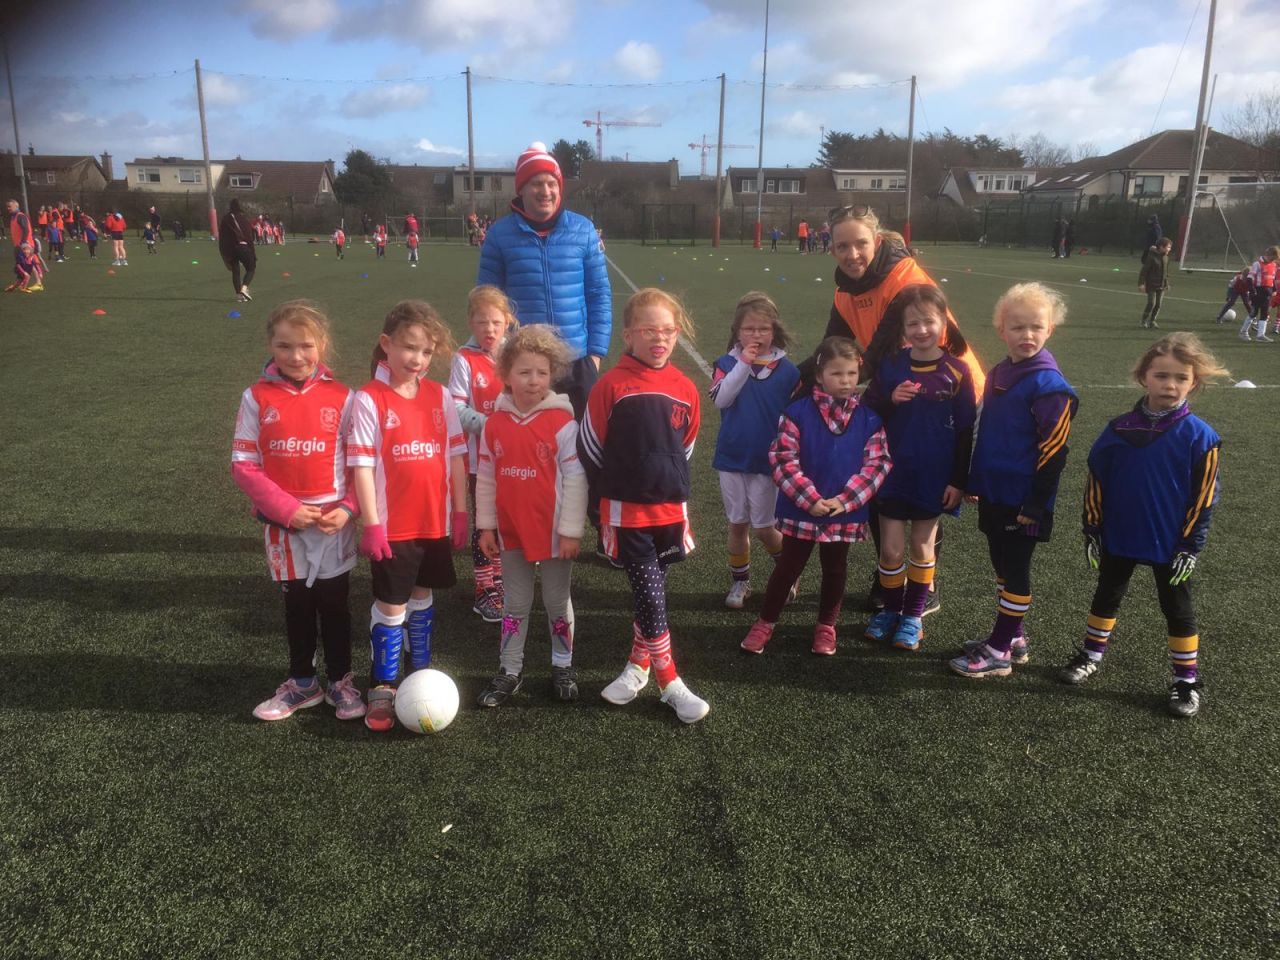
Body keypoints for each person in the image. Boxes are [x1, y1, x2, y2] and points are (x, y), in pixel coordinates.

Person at [819, 203, 985, 613]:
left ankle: (923, 589)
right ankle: (889, 575)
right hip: (899, 391)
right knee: (882, 485)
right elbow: (833, 347)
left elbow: (872, 353)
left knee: (926, 491)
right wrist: (800, 383)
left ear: (877, 241)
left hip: (945, 393)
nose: (852, 254)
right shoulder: (845, 289)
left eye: (860, 244)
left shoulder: (905, 279)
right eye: (842, 246)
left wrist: (837, 385)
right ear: (831, 247)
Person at [1057, 333, 1225, 718]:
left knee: (1178, 609)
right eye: (1161, 375)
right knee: (1106, 595)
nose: (1170, 385)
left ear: (1193, 383)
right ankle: (1090, 655)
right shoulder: (1118, 430)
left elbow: (1204, 498)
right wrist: (1093, 528)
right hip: (1120, 533)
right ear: (1143, 377)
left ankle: (1185, 680)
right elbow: (1096, 478)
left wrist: (1190, 546)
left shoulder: (1202, 437)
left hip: (1171, 543)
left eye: (1181, 378)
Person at [579, 288, 709, 724]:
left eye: (668, 330)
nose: (660, 338)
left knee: (650, 595)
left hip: (670, 511)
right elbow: (590, 448)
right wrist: (606, 500)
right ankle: (670, 682)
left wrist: (662, 478)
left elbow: (685, 447)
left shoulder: (685, 387)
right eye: (649, 330)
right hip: (626, 513)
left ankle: (636, 666)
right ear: (629, 335)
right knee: (651, 596)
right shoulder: (611, 385)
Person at [232, 301, 365, 722]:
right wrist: (288, 510)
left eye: (305, 345)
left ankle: (342, 681)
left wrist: (349, 508)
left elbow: (361, 463)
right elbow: (244, 464)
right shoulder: (256, 397)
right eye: (284, 346)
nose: (295, 356)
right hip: (284, 526)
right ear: (270, 345)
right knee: (298, 606)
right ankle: (303, 683)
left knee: (335, 603)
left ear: (321, 345)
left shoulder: (344, 397)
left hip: (332, 524)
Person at [347, 301, 468, 732]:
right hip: (394, 528)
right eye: (409, 348)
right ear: (386, 345)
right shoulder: (368, 399)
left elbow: (455, 455)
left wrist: (459, 512)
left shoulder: (440, 396)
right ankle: (383, 683)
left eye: (426, 352)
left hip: (433, 522)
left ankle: (420, 668)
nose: (416, 359)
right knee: (391, 604)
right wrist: (372, 523)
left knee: (422, 597)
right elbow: (361, 465)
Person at [950, 282, 1077, 679]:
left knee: (1017, 567)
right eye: (1017, 327)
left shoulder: (1050, 386)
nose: (1027, 335)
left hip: (1025, 498)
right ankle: (1014, 637)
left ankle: (999, 651)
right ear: (1000, 329)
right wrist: (976, 479)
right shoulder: (1000, 372)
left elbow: (1055, 452)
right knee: (1001, 563)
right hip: (995, 489)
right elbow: (988, 430)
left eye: (1036, 327)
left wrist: (1035, 505)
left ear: (1050, 330)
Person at [740, 336, 892, 656]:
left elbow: (877, 465)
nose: (846, 381)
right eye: (837, 374)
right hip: (802, 510)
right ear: (820, 375)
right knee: (788, 568)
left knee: (835, 568)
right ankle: (766, 622)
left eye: (851, 374)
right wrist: (810, 499)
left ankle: (826, 626)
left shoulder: (869, 419)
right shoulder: (797, 413)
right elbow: (783, 459)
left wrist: (845, 500)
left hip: (843, 512)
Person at [475, 325, 588, 706]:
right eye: (524, 372)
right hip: (510, 533)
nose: (533, 380)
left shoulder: (563, 423)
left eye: (541, 372)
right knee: (516, 604)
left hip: (555, 533)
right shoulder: (494, 424)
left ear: (551, 375)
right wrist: (485, 526)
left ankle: (562, 664)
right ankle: (510, 670)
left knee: (558, 602)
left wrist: (571, 531)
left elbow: (575, 478)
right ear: (506, 375)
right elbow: (487, 478)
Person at [861, 285, 978, 652]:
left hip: (933, 475)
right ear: (903, 327)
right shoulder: (892, 365)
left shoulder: (957, 371)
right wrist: (891, 400)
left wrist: (958, 480)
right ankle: (891, 611)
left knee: (922, 546)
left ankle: (912, 615)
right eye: (913, 323)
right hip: (891, 473)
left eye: (929, 321)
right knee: (891, 551)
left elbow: (964, 432)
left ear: (943, 322)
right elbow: (868, 413)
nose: (921, 329)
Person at [477, 142, 612, 420]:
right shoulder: (499, 235)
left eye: (552, 183)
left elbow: (598, 293)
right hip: (527, 365)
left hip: (578, 362)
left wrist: (595, 355)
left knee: (583, 451)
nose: (546, 191)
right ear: (522, 188)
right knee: (531, 449)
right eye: (537, 183)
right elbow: (487, 301)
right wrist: (503, 352)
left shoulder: (583, 230)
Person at [709, 291, 801, 609]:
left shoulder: (788, 371)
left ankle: (788, 574)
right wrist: (744, 362)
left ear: (774, 330)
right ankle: (740, 582)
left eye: (763, 328)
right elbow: (722, 399)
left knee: (764, 528)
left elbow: (798, 416)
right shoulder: (725, 363)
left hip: (770, 461)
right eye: (749, 329)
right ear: (737, 331)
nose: (756, 335)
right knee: (737, 524)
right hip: (732, 457)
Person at [449, 285, 516, 624]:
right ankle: (484, 588)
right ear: (471, 323)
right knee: (485, 524)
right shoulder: (464, 358)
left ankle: (502, 582)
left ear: (508, 322)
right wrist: (490, 426)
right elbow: (456, 408)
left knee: (506, 522)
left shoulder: (516, 355)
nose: (489, 329)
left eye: (495, 322)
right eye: (481, 322)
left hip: (514, 462)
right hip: (480, 463)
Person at [218, 199, 257, 302]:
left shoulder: (225, 219)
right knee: (251, 268)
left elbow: (222, 237)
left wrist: (224, 256)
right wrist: (253, 253)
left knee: (235, 271)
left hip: (230, 249)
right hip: (242, 247)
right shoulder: (242, 218)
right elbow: (248, 236)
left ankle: (239, 296)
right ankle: (244, 289)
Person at [1240, 246, 1278, 342]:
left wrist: (1273, 290)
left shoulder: (1273, 265)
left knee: (1264, 313)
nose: (1273, 260)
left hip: (1267, 292)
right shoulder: (1257, 264)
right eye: (1272, 257)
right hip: (1258, 291)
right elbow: (1249, 279)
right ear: (1268, 254)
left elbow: (1272, 279)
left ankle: (1260, 335)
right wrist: (1253, 291)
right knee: (1254, 313)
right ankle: (1243, 332)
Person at [1138, 237, 1173, 329]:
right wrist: (1141, 284)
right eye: (1168, 247)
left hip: (1161, 285)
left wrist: (1167, 283)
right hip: (1151, 285)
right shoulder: (1151, 257)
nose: (1169, 249)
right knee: (1151, 303)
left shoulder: (1166, 258)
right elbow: (1144, 271)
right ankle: (1144, 320)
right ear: (1161, 247)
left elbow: (1166, 272)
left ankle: (1152, 321)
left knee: (1158, 305)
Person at [7, 200, 33, 268]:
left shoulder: (20, 216)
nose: (8, 208)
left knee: (22, 268)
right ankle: (38, 276)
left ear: (16, 206)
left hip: (23, 246)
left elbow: (26, 230)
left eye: (10, 206)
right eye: (7, 207)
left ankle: (37, 275)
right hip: (18, 245)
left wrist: (23, 243)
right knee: (21, 267)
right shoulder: (14, 217)